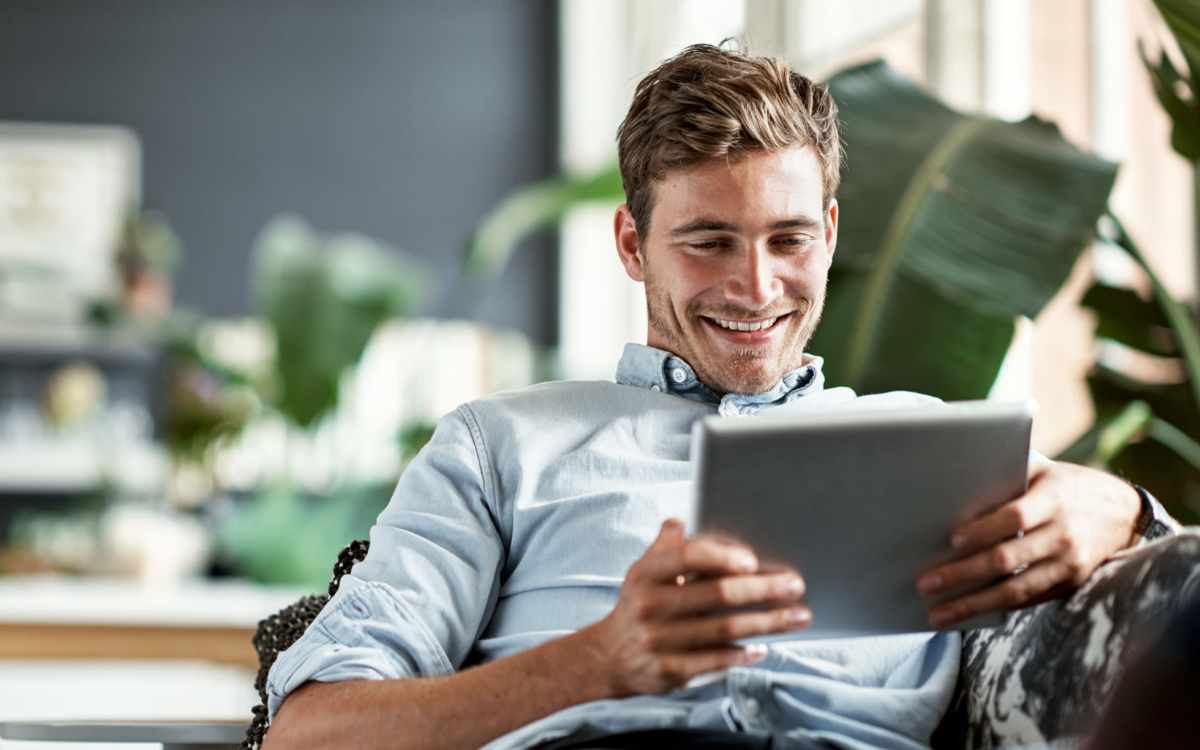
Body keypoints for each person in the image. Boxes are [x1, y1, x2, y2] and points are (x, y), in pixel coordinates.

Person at [262, 44, 1175, 750]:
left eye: (788, 240)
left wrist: (1124, 506)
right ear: (632, 244)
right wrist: (597, 663)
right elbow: (314, 732)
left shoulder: (932, 447)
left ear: (827, 232)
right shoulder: (500, 445)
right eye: (707, 242)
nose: (755, 287)